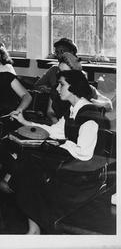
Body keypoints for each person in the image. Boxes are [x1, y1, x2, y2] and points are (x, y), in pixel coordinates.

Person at [7, 70, 110, 234]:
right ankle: (34, 227)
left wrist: (63, 144)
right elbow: (53, 131)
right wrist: (24, 121)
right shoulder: (73, 109)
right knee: (30, 161)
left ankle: (35, 226)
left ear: (73, 87)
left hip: (87, 171)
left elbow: (85, 153)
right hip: (76, 162)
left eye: (62, 84)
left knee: (32, 167)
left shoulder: (89, 114)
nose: (58, 88)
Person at [46, 52, 113, 124]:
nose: (60, 74)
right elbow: (50, 111)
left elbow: (109, 105)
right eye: (59, 70)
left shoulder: (87, 89)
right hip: (59, 126)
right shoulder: (57, 88)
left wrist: (93, 103)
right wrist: (55, 121)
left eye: (65, 72)